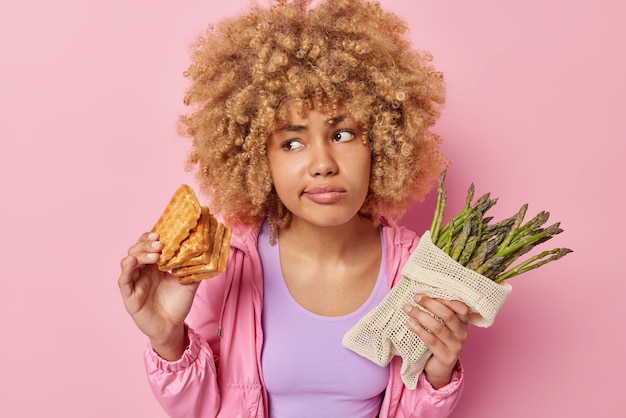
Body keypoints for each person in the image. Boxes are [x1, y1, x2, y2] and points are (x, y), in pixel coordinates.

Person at [118, 0, 470, 416]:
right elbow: (203, 410)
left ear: (380, 140)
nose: (322, 164)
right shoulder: (231, 264)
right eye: (292, 142)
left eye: (342, 134)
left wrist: (438, 373)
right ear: (257, 158)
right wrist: (168, 339)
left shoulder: (416, 270)